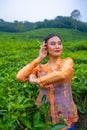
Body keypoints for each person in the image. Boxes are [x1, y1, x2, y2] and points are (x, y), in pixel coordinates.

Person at [16, 34, 78, 130]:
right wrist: (39, 58)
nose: (57, 46)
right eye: (53, 44)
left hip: (65, 113)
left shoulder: (66, 62)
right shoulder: (40, 68)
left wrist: (36, 81)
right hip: (45, 114)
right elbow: (20, 77)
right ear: (46, 48)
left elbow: (63, 75)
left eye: (59, 43)